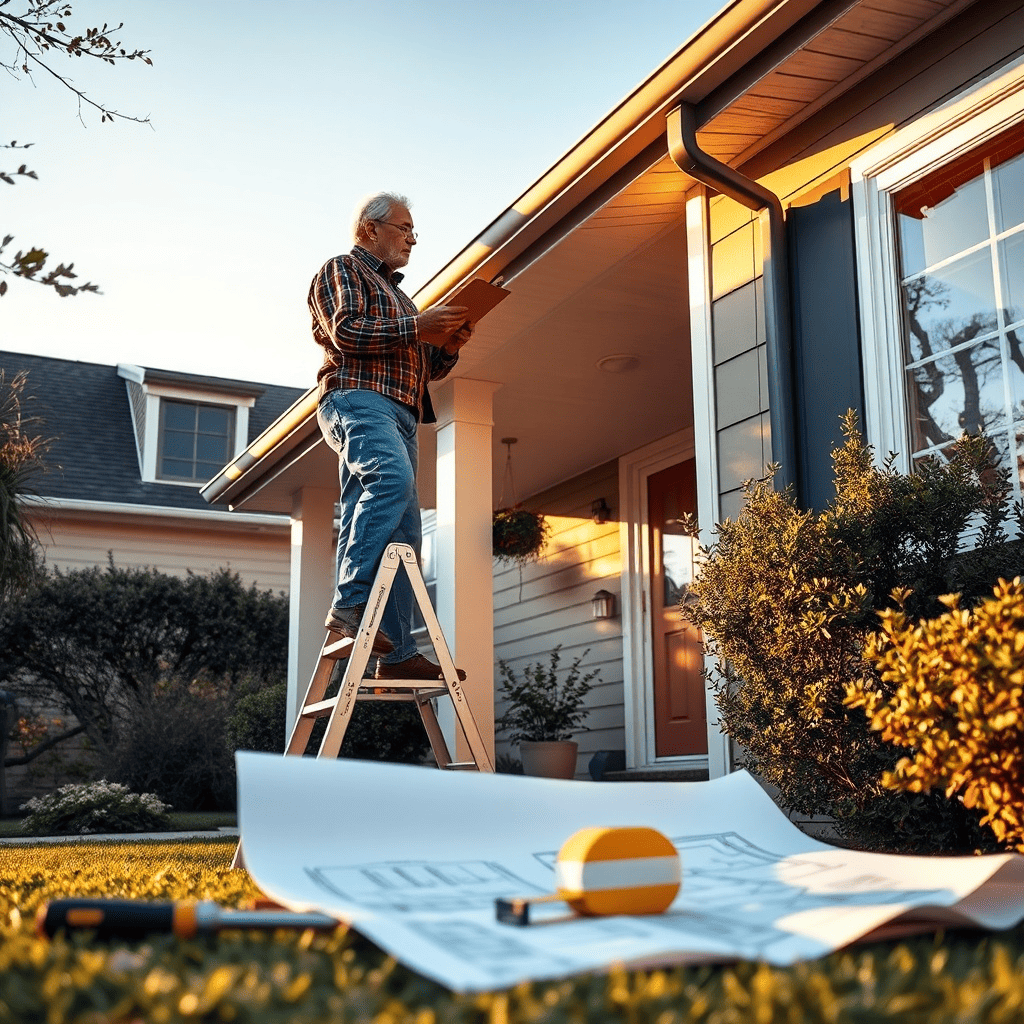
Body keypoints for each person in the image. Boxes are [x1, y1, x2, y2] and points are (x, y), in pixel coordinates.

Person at [308, 191, 471, 681]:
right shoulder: (342, 269)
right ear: (369, 229)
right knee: (390, 480)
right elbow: (348, 333)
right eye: (404, 229)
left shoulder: (402, 299)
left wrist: (448, 347)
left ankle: (397, 655)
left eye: (413, 232)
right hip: (356, 398)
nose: (411, 240)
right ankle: (349, 606)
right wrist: (417, 325)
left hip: (400, 412)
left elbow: (423, 367)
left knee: (404, 533)